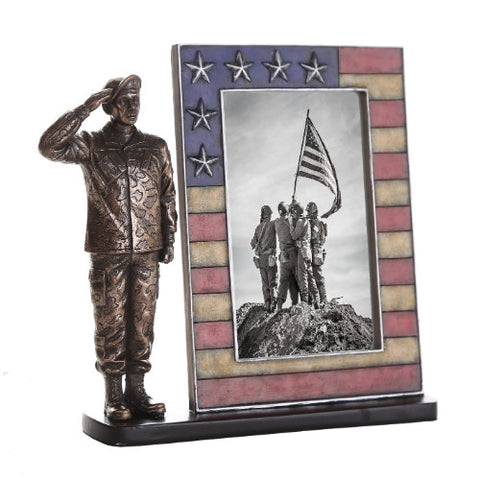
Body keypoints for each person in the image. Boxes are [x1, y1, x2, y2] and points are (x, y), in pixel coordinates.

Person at [39, 75, 177, 422]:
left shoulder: (156, 147)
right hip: (108, 250)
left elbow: (167, 195)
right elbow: (49, 146)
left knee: (142, 322)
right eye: (124, 100)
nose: (132, 106)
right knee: (110, 321)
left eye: (136, 99)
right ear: (109, 106)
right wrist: (84, 108)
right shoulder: (92, 145)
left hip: (147, 250)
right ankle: (113, 395)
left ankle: (138, 391)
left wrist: (169, 237)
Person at [289, 202, 321, 308]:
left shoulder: (300, 221)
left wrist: (291, 224)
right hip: (307, 252)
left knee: (302, 276)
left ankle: (305, 302)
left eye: (294, 212)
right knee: (310, 276)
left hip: (302, 252)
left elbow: (294, 236)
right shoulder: (306, 221)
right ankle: (317, 300)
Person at [250, 205, 277, 312]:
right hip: (270, 257)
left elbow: (252, 244)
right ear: (269, 215)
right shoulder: (273, 224)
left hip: (261, 259)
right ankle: (274, 304)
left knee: (265, 283)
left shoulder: (258, 228)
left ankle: (267, 304)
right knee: (272, 282)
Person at [274, 202, 299, 311]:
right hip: (293, 254)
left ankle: (279, 305)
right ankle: (295, 304)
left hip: (283, 256)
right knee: (296, 280)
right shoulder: (291, 220)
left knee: (283, 281)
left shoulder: (276, 222)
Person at [306, 201, 327, 304]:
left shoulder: (315, 223)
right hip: (316, 250)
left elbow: (313, 236)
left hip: (315, 251)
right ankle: (316, 300)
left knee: (317, 276)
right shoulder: (317, 223)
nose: (307, 213)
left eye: (308, 211)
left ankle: (323, 299)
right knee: (312, 276)